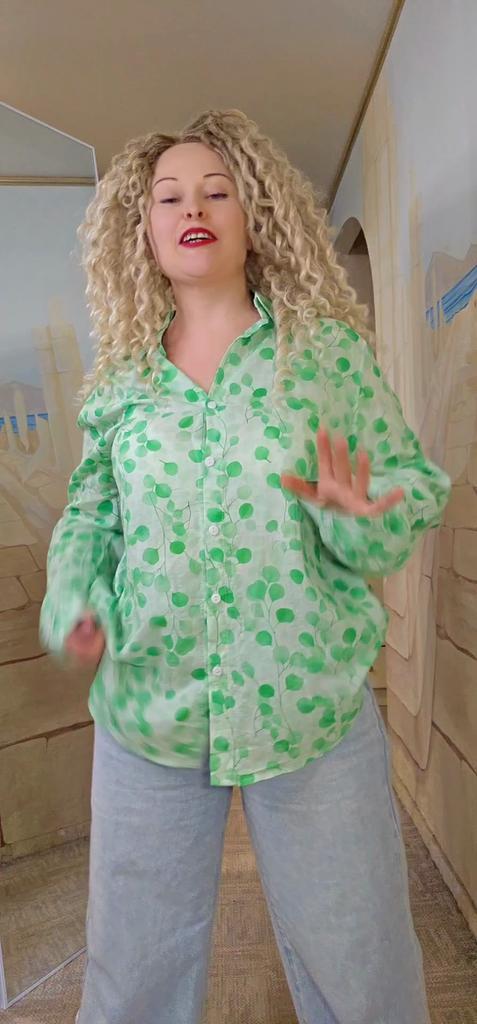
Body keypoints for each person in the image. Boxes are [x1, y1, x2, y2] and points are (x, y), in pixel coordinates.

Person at [40, 109, 449, 1024]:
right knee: (133, 974)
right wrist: (75, 599)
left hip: (308, 704)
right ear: (142, 231)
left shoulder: (323, 356)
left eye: (216, 191)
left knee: (362, 963)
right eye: (170, 197)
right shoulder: (120, 383)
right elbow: (92, 515)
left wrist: (364, 515)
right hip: (149, 708)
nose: (193, 208)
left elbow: (405, 489)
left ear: (253, 216)